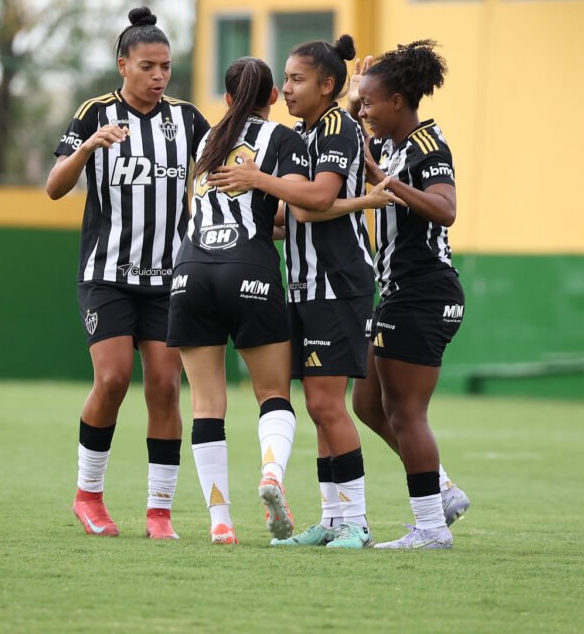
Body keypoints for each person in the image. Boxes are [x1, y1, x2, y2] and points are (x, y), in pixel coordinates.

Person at [46, 7, 210, 540]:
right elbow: (53, 187)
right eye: (147, 66)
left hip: (168, 277)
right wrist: (88, 148)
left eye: (166, 66)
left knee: (164, 387)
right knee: (113, 378)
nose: (159, 76)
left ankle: (159, 512)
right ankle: (88, 496)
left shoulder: (187, 119)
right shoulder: (94, 113)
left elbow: (225, 162)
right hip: (107, 275)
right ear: (123, 65)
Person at [168, 56, 338, 544]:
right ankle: (271, 475)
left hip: (190, 270)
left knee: (205, 403)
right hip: (249, 269)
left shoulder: (205, 140)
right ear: (272, 97)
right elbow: (304, 199)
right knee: (273, 394)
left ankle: (220, 521)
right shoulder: (281, 138)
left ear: (226, 99)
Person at [221, 35, 381, 549]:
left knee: (328, 405)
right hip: (306, 286)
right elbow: (291, 216)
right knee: (317, 406)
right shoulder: (301, 133)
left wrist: (258, 179)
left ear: (327, 85)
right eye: (285, 79)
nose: (285, 89)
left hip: (339, 284)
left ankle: (356, 522)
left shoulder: (337, 127)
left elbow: (317, 198)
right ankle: (332, 520)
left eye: (296, 79)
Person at [345, 40, 465, 549]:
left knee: (406, 413)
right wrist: (355, 95)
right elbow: (351, 134)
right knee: (367, 402)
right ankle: (442, 489)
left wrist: (387, 183)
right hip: (397, 292)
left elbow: (445, 208)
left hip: (424, 291)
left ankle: (432, 527)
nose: (364, 112)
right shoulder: (389, 145)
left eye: (371, 103)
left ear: (397, 101)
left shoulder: (427, 144)